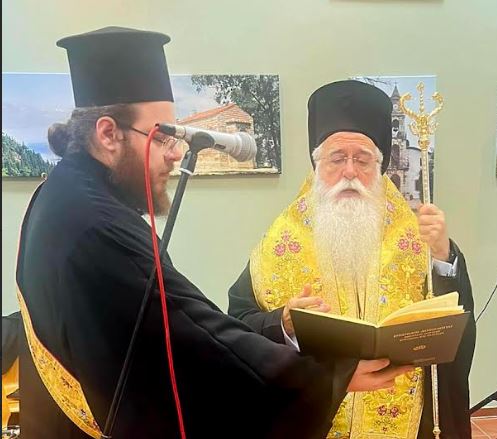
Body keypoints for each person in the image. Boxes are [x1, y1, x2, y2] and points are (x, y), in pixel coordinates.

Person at [15, 28, 411, 439]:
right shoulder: (96, 226)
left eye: (363, 159)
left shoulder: (63, 194)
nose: (177, 152)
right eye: (163, 136)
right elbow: (196, 342)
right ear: (107, 134)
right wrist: (327, 378)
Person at [228, 80, 477, 439]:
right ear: (317, 164)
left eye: (362, 159)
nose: (349, 172)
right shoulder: (282, 240)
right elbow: (237, 327)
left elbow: (454, 333)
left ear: (380, 165)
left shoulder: (414, 233)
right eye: (336, 158)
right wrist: (282, 324)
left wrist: (442, 258)